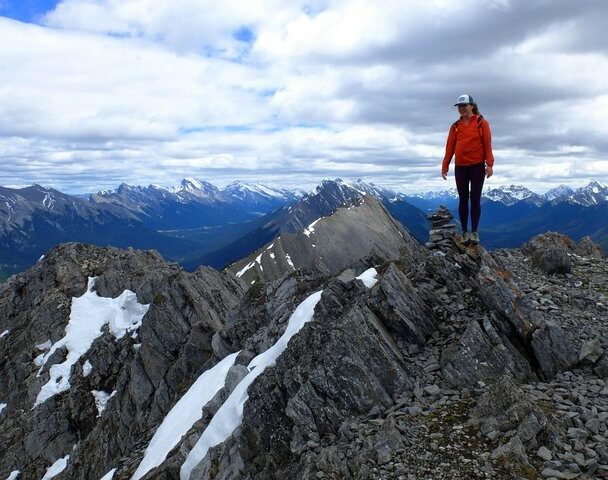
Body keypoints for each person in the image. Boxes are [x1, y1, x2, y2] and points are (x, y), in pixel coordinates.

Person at [441, 94, 494, 245]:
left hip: (477, 166)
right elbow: (450, 147)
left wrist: (489, 164)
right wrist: (445, 165)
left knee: (475, 198)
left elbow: (487, 144)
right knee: (463, 199)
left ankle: (474, 232)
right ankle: (464, 232)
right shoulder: (455, 127)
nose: (461, 109)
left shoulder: (481, 123)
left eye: (464, 106)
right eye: (459, 106)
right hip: (461, 167)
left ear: (472, 106)